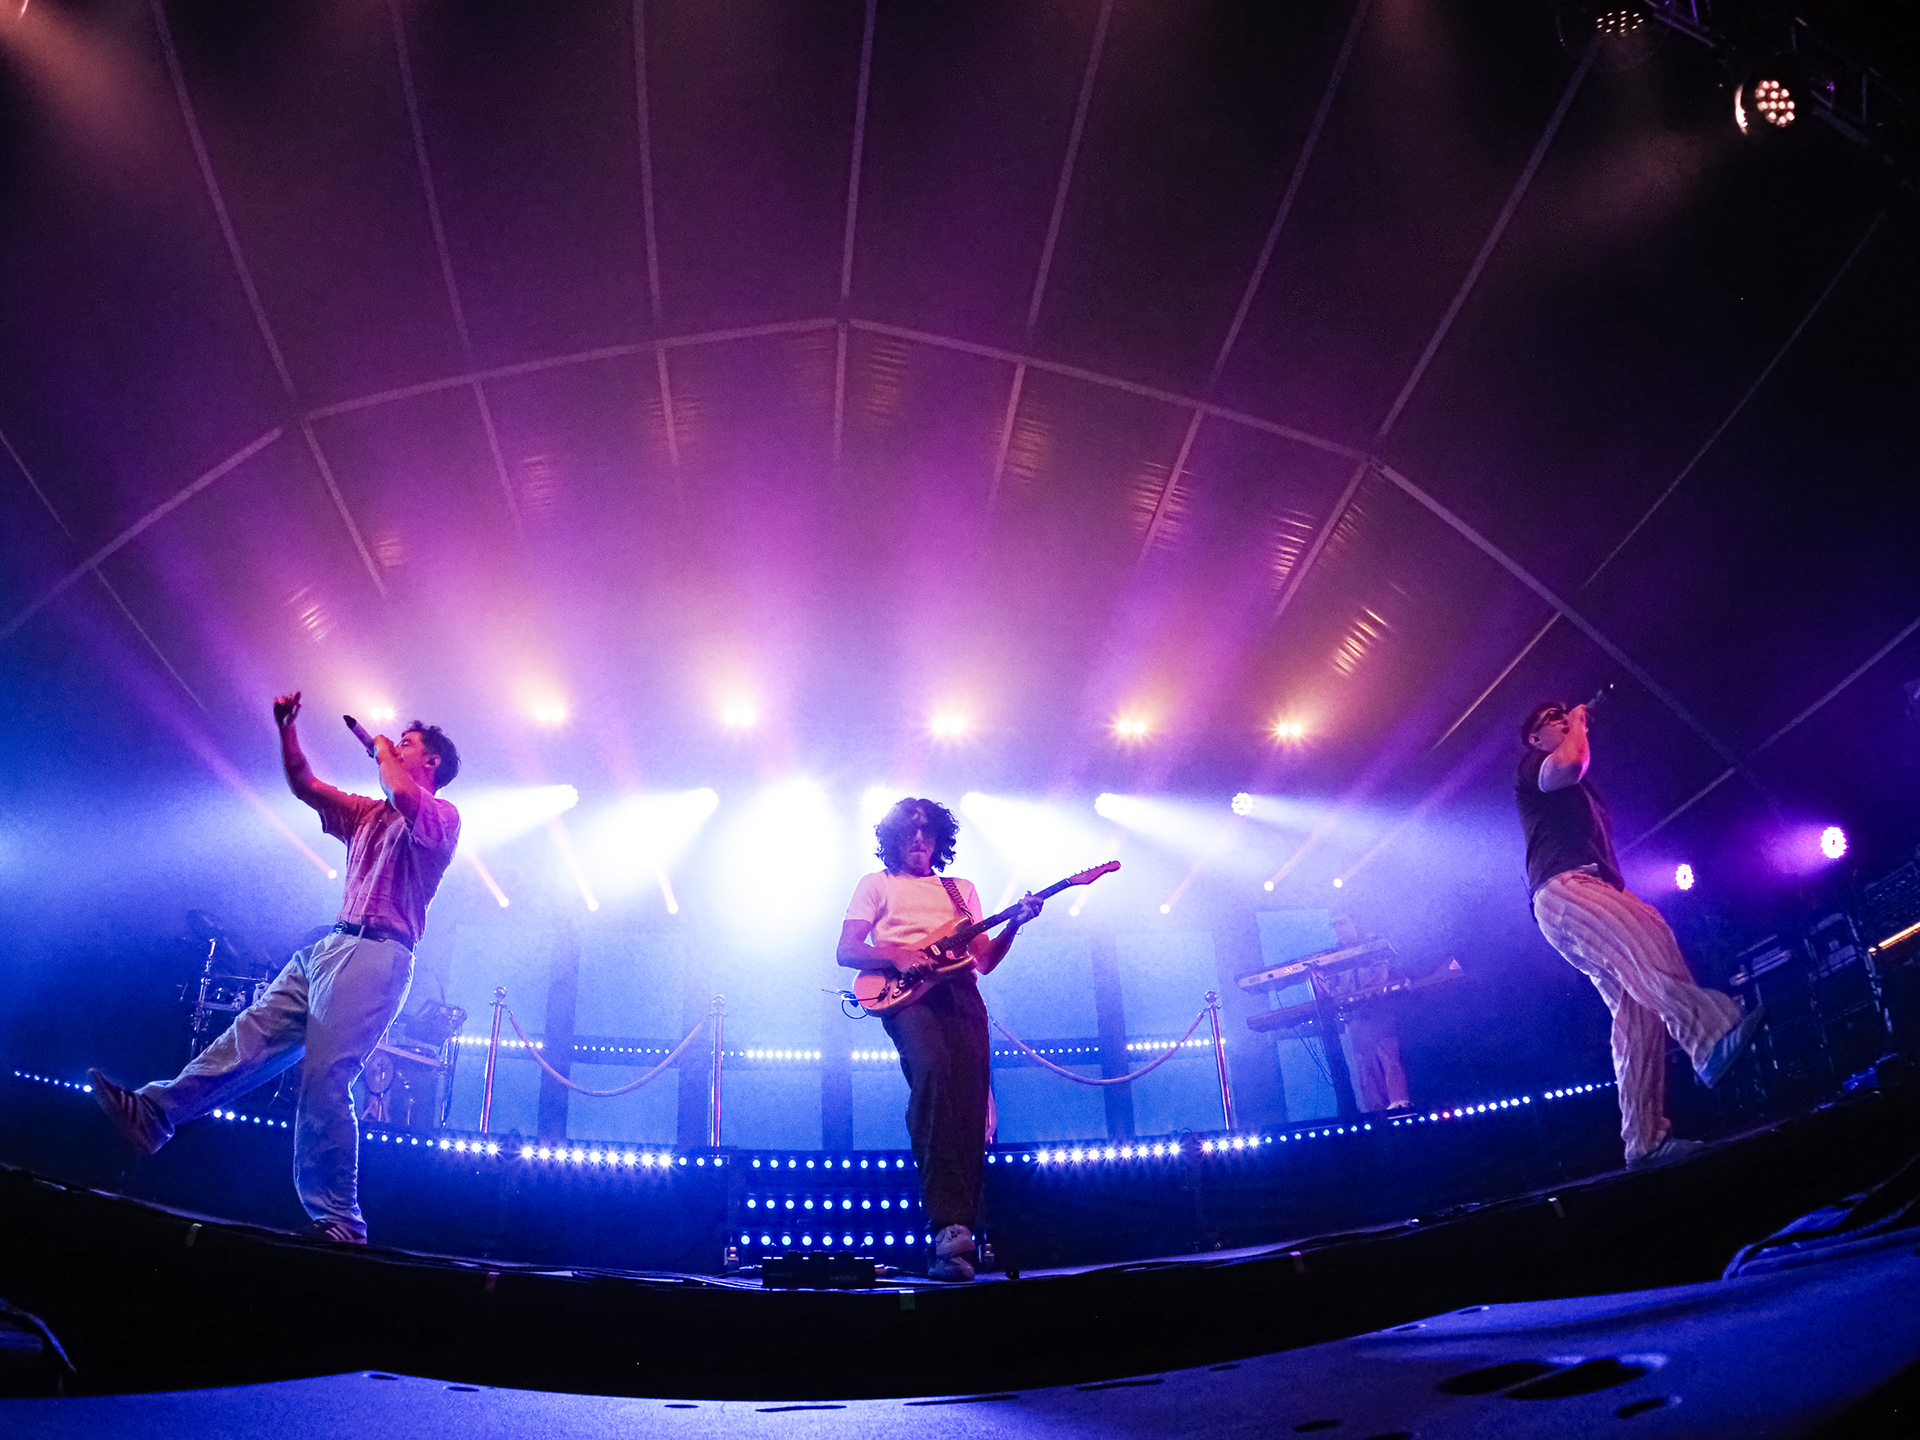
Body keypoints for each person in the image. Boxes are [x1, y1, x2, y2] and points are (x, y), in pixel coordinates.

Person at [89, 692, 462, 1243]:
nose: (394, 746)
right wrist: (288, 731)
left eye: (406, 743)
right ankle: (155, 1113)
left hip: (379, 952)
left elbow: (401, 792)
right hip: (332, 946)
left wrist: (381, 749)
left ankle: (340, 1219)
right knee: (249, 1038)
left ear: (430, 762)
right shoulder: (366, 812)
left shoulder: (440, 816)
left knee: (327, 1079)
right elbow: (304, 785)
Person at [1517, 700, 1765, 1170]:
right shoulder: (1533, 767)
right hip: (1566, 889)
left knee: (1635, 1014)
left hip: (1584, 889)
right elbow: (1569, 762)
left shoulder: (1579, 790)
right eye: (1554, 719)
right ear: (1534, 738)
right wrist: (1581, 720)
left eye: (1565, 716)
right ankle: (1709, 1035)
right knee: (1644, 938)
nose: (1565, 720)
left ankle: (1644, 1141)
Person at [838, 798, 1041, 1281]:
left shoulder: (960, 889)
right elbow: (847, 950)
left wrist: (1015, 921)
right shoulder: (877, 884)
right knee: (932, 1074)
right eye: (910, 831)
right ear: (892, 838)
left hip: (961, 993)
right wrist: (900, 955)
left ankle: (960, 1236)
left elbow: (985, 960)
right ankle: (946, 1222)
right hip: (906, 996)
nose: (920, 839)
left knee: (970, 1103)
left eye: (928, 832)